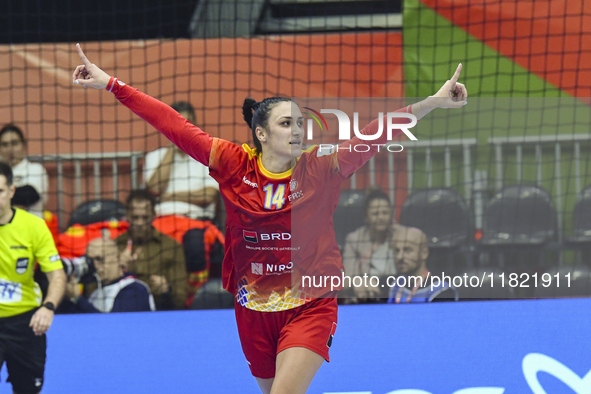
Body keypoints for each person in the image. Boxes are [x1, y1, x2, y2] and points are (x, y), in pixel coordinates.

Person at [72, 44, 467, 394]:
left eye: (300, 122)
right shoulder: (232, 162)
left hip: (310, 304)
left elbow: (375, 134)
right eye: (286, 123)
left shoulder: (321, 168)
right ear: (260, 133)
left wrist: (431, 102)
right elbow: (172, 124)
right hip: (253, 308)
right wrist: (111, 84)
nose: (298, 130)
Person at [0, 162, 66, 394]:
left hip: (24, 322)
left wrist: (48, 307)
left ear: (11, 190)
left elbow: (57, 275)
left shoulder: (34, 226)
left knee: (27, 389)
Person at [144, 101, 220, 221]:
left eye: (188, 122)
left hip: (197, 220)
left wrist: (172, 197)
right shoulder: (154, 156)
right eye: (178, 122)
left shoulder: (209, 156)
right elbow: (154, 190)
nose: (184, 127)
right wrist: (173, 147)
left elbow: (208, 196)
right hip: (161, 221)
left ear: (195, 126)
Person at [115, 189, 188, 310]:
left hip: (159, 311)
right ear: (127, 215)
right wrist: (118, 268)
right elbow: (96, 292)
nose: (139, 222)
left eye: (145, 217)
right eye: (135, 217)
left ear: (154, 215)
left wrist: (167, 290)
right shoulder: (115, 247)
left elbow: (181, 299)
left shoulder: (171, 247)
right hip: (122, 311)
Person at [342, 188, 404, 303]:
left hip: (396, 295)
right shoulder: (354, 239)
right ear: (366, 216)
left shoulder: (401, 235)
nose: (381, 217)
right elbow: (345, 282)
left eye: (385, 213)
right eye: (375, 213)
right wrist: (358, 282)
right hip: (367, 297)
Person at [62, 237, 156, 313]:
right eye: (90, 261)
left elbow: (115, 329)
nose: (94, 266)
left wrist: (78, 298)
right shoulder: (95, 292)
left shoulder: (134, 289)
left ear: (118, 258)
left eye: (100, 259)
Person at [387, 227, 458, 303]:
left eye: (407, 250)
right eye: (397, 250)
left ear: (424, 253)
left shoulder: (441, 290)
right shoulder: (396, 284)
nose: (399, 256)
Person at [0, 124, 49, 218]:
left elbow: (29, 195)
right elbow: (19, 197)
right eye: (5, 145)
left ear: (24, 145)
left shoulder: (36, 169)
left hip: (30, 229)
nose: (10, 149)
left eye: (14, 143)